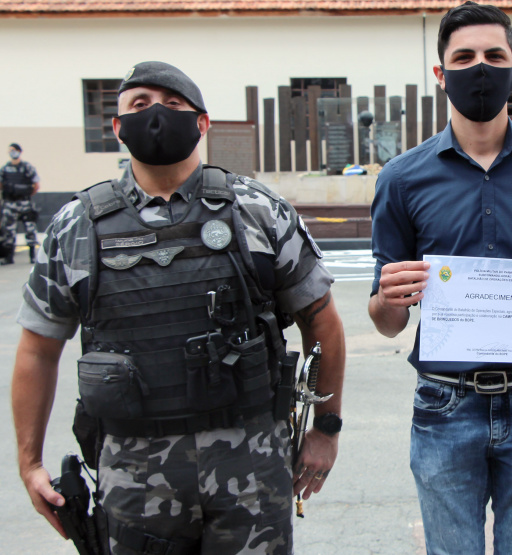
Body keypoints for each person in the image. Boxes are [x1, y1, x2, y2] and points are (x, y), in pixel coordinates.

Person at [12, 61, 346, 555]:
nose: (156, 115)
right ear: (117, 127)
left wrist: (326, 428)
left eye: (173, 105)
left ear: (202, 122)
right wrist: (29, 462)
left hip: (251, 469)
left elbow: (322, 324)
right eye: (139, 105)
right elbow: (38, 350)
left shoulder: (256, 209)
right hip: (134, 477)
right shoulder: (76, 226)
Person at [368, 3, 512, 553]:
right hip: (445, 406)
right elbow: (386, 322)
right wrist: (389, 299)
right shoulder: (402, 179)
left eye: (495, 56)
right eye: (464, 57)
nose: (481, 67)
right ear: (440, 74)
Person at [0, 142, 41, 264]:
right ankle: (9, 257)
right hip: (10, 203)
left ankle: (33, 256)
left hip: (25, 203)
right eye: (10, 150)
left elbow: (36, 185)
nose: (12, 153)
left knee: (30, 229)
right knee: (9, 231)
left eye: (14, 150)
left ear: (19, 151)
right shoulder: (5, 169)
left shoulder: (27, 167)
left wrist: (25, 194)